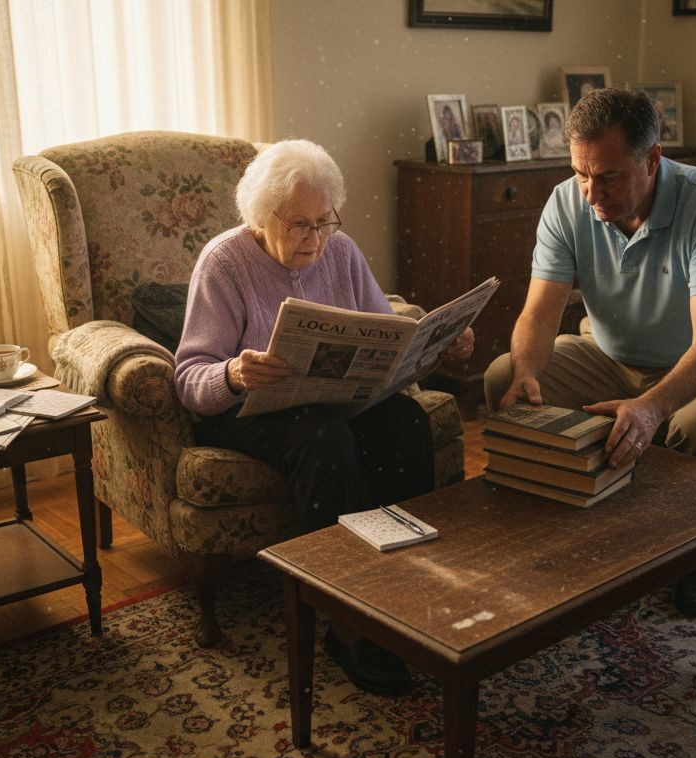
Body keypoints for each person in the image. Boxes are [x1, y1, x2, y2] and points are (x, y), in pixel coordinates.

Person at [174, 139, 474, 695]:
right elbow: (190, 378)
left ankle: (404, 583)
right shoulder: (223, 261)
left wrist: (437, 346)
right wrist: (235, 374)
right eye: (299, 225)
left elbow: (389, 337)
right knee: (324, 438)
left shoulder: (341, 251)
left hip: (331, 402)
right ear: (260, 218)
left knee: (406, 422)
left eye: (324, 222)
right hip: (244, 411)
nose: (315, 239)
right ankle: (343, 618)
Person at [484, 88, 696, 618]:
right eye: (581, 173)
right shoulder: (567, 202)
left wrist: (654, 405)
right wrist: (526, 370)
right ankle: (561, 503)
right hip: (606, 353)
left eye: (607, 176)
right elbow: (540, 314)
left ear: (652, 159)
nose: (590, 193)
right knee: (501, 379)